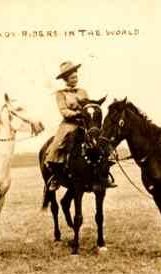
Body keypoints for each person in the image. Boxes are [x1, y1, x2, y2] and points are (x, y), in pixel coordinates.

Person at [45, 61, 115, 190]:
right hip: (69, 123)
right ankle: (56, 176)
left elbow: (87, 104)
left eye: (76, 77)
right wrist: (77, 113)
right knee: (57, 145)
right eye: (72, 78)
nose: (75, 79)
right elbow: (63, 111)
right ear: (66, 79)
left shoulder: (83, 91)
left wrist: (92, 108)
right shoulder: (61, 93)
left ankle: (106, 171)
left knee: (100, 139)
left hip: (85, 122)